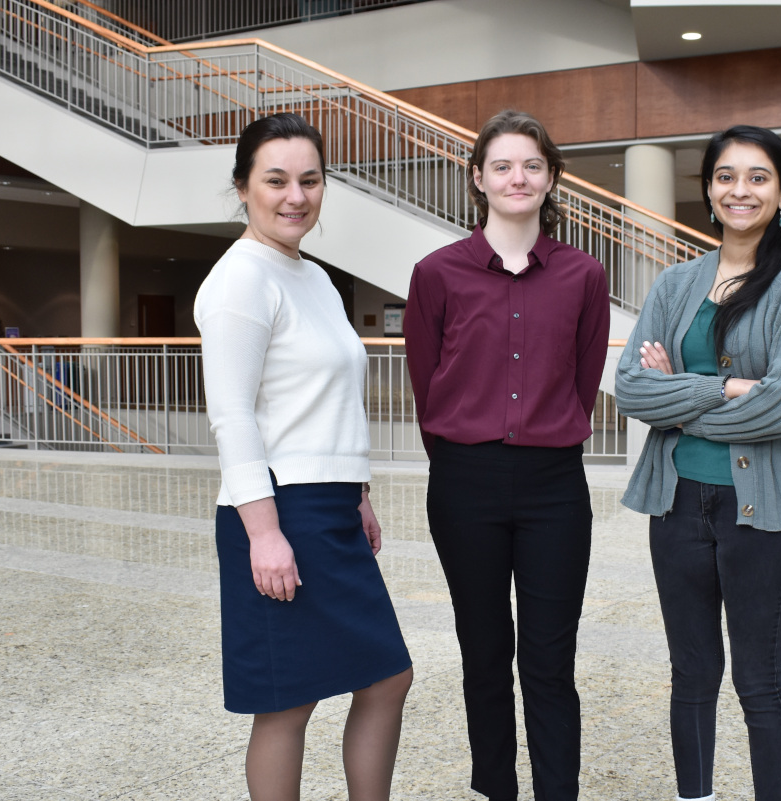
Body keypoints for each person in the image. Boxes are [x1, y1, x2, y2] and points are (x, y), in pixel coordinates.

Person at [615, 125, 781, 801]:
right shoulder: (677, 281)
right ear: (709, 191)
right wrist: (725, 387)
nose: (740, 189)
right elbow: (629, 386)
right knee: (691, 673)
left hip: (764, 513)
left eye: (758, 176)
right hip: (678, 503)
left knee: (758, 678)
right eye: (726, 176)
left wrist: (678, 397)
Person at [194, 112, 413, 801]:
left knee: (385, 674)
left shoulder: (312, 277)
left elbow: (324, 396)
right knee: (288, 699)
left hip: (329, 505)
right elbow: (232, 417)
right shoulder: (238, 282)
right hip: (279, 511)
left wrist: (359, 492)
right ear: (242, 187)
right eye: (276, 180)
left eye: (310, 180)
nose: (296, 196)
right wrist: (264, 533)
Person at [404, 110, 611, 800]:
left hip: (555, 484)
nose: (516, 177)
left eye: (531, 165)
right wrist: (466, 452)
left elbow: (581, 383)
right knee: (484, 656)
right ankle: (496, 788)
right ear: (478, 179)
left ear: (551, 178)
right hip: (465, 481)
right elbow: (425, 379)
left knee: (550, 662)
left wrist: (544, 430)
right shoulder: (437, 273)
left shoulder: (584, 275)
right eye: (502, 165)